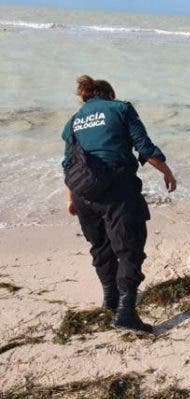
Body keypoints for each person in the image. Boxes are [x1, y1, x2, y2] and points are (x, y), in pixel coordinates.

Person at [61, 75, 177, 334]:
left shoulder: (74, 121)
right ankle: (126, 312)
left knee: (100, 246)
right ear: (109, 95)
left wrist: (71, 199)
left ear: (86, 97)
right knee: (129, 248)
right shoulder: (121, 109)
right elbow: (144, 147)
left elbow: (69, 163)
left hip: (83, 192)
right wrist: (167, 172)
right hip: (117, 188)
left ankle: (110, 301)